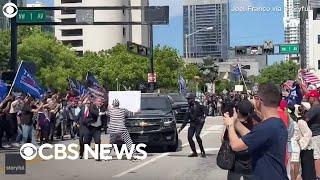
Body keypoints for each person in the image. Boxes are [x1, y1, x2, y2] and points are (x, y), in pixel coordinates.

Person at [223, 83, 288, 180]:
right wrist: (236, 122)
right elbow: (253, 137)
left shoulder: (267, 127)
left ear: (259, 101)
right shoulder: (276, 123)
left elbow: (236, 146)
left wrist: (230, 125)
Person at [227, 100, 254, 180]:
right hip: (251, 161)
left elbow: (223, 139)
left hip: (235, 162)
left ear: (237, 111)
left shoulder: (232, 124)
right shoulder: (254, 123)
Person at [178, 93, 206, 158]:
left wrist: (203, 118)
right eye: (187, 99)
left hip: (199, 123)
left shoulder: (199, 105)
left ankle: (202, 151)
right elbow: (185, 120)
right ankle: (194, 152)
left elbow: (205, 111)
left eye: (189, 99)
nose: (188, 101)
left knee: (197, 135)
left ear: (193, 99)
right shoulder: (189, 109)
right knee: (189, 137)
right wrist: (180, 129)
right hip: (192, 124)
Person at [305, 89, 320, 179]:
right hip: (318, 134)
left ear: (313, 98)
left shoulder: (314, 108)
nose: (308, 99)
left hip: (315, 135)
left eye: (309, 97)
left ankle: (318, 176)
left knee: (316, 156)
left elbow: (305, 119)